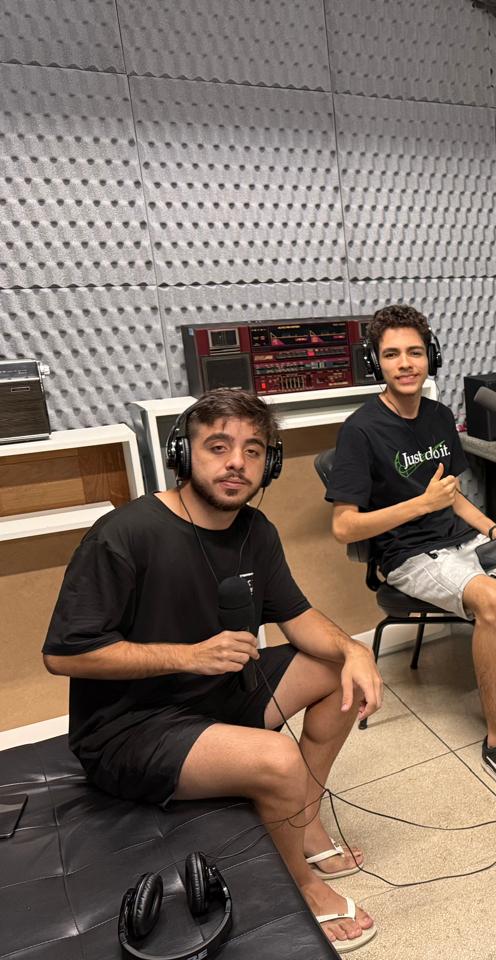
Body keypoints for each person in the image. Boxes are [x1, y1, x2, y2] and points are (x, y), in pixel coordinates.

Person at [42, 388, 384, 954]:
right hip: (131, 729)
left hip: (219, 695)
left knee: (336, 671)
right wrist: (188, 655)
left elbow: (297, 616)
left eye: (253, 451)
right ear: (184, 455)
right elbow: (63, 655)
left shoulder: (256, 530)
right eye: (218, 447)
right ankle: (299, 882)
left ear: (270, 463)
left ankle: (305, 818)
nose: (236, 463)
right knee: (278, 757)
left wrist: (355, 651)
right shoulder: (124, 534)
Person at [325, 303, 496, 802]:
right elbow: (343, 527)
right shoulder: (360, 430)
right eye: (392, 354)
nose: (405, 364)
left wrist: (492, 528)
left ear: (431, 356)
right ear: (375, 362)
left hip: (462, 539)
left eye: (414, 352)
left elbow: (451, 497)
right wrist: (419, 505)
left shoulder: (438, 416)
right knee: (493, 598)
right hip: (408, 556)